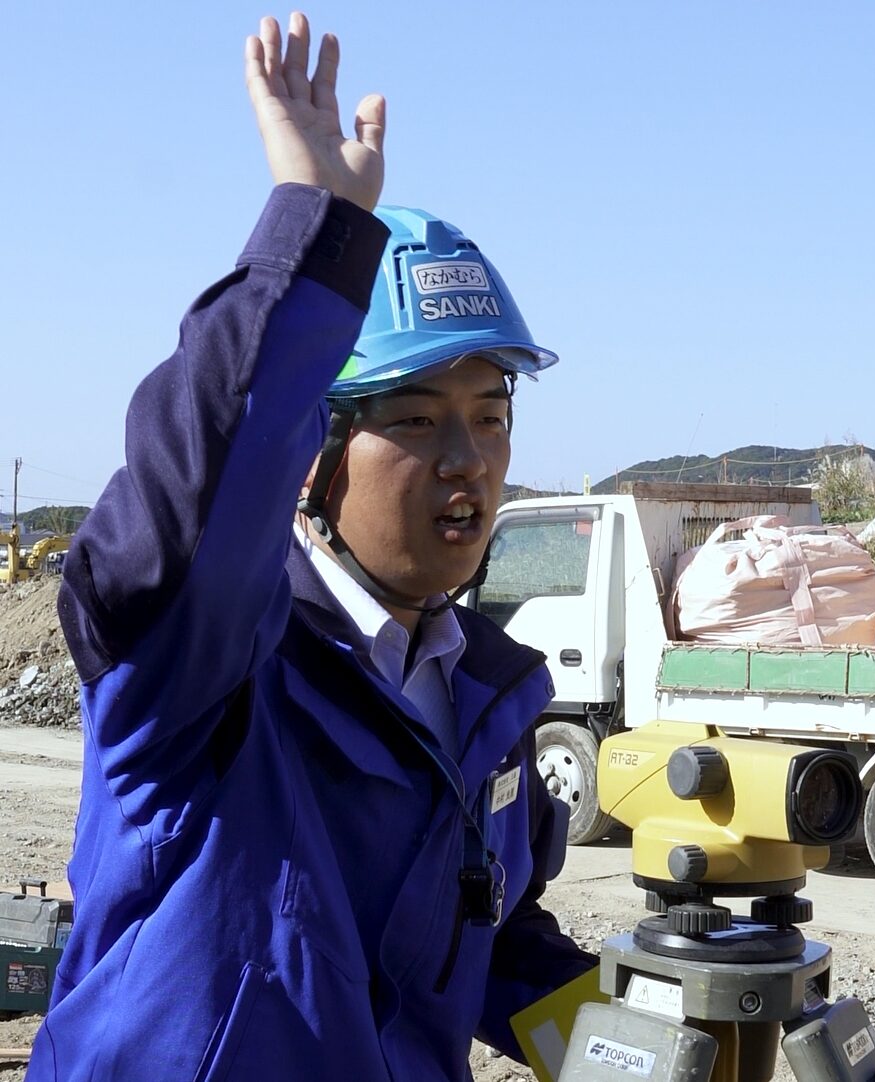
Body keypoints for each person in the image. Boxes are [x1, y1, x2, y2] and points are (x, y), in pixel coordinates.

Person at [30, 13, 594, 1081]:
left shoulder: (484, 702)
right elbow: (194, 498)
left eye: (491, 412)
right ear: (309, 452)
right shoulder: (206, 673)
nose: (468, 457)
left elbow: (490, 937)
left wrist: (651, 1047)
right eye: (416, 418)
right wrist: (318, 229)